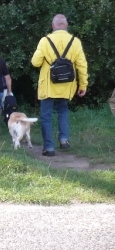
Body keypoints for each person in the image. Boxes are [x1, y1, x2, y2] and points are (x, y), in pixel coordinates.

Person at [31, 14, 88, 156]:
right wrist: (83, 85)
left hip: (48, 85)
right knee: (63, 111)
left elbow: (35, 62)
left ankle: (49, 148)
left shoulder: (45, 41)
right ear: (66, 25)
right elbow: (82, 65)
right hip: (67, 85)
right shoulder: (75, 42)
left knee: (46, 115)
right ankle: (63, 139)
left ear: (53, 26)